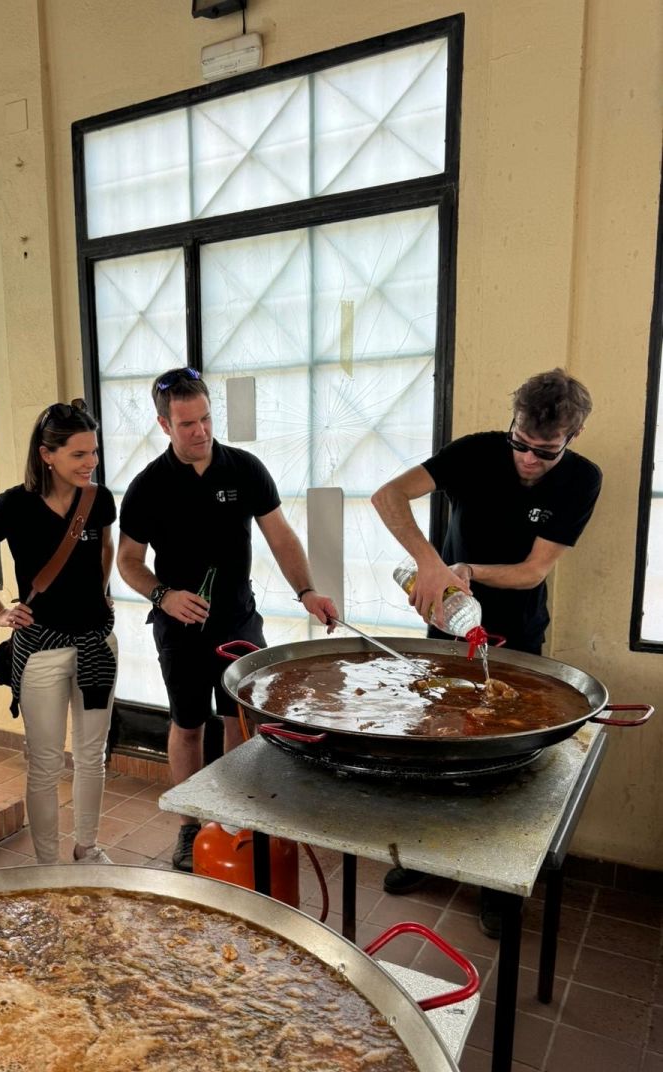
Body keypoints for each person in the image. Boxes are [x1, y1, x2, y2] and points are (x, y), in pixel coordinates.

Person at [371, 367, 602, 934]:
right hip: (449, 626)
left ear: (569, 440)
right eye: (519, 443)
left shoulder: (581, 480)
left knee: (504, 756)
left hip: (517, 633)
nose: (527, 458)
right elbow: (388, 495)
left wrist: (466, 569)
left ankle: (495, 882)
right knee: (436, 740)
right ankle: (424, 856)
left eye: (543, 452)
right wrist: (431, 564)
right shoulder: (477, 452)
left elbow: (531, 572)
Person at [117, 367, 338, 872]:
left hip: (239, 620)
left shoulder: (244, 470)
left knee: (240, 721)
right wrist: (162, 595)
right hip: (180, 627)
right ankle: (190, 824)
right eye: (187, 423)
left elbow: (281, 536)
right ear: (164, 424)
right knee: (188, 723)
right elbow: (127, 561)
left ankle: (238, 812)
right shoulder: (148, 486)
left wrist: (306, 590)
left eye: (206, 419)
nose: (200, 431)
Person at [0, 400, 117, 867]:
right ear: (47, 454)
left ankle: (87, 848)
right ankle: (47, 865)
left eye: (93, 453)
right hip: (41, 650)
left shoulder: (99, 499)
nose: (90, 463)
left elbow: (105, 548)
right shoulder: (14, 505)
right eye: (78, 455)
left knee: (93, 758)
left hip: (97, 642)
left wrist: (103, 593)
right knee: (46, 763)